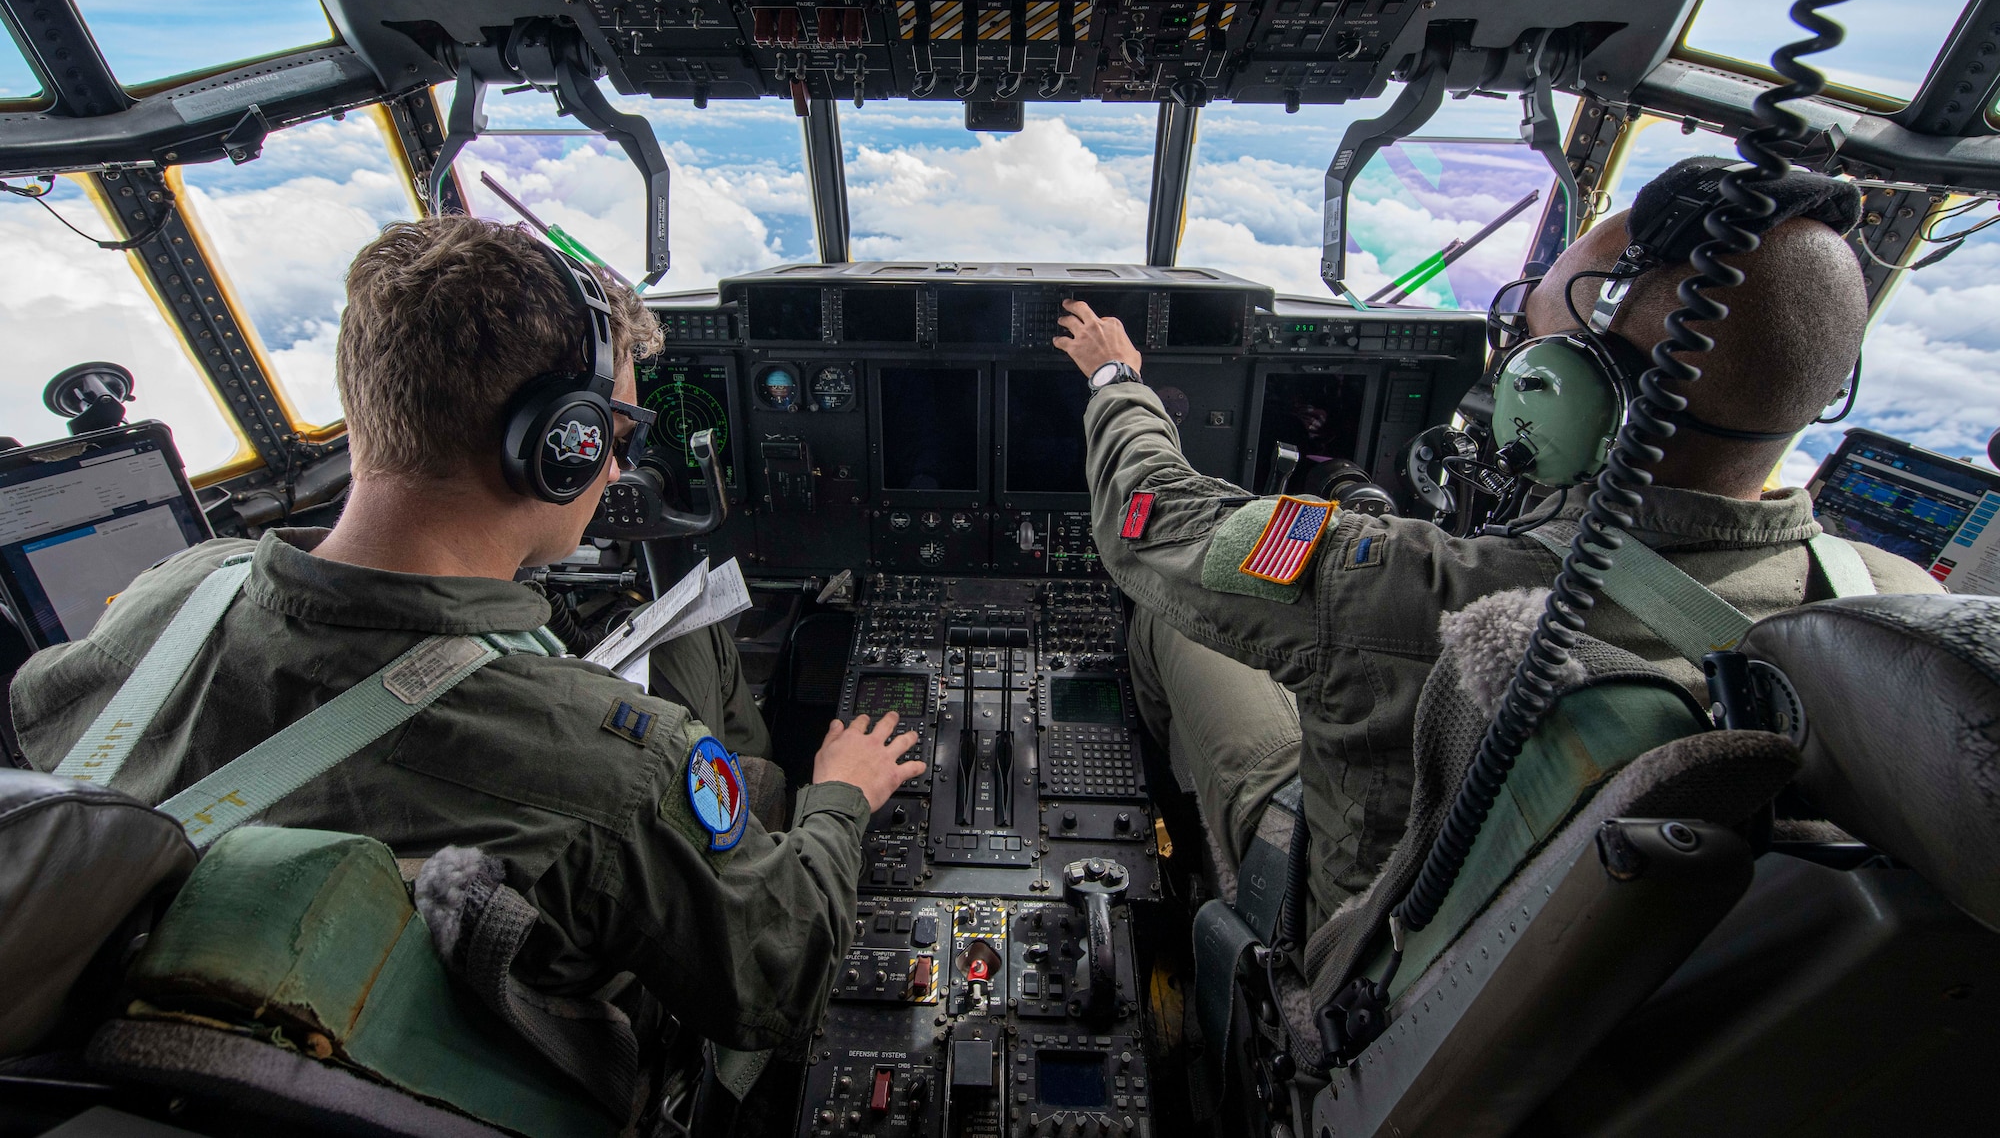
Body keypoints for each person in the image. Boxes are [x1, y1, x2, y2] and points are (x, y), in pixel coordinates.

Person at [8, 216, 924, 1070]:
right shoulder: (617, 766)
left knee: (699, 641)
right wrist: (840, 796)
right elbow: (781, 977)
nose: (618, 465)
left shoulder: (176, 592)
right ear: (555, 447)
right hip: (525, 1050)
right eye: (614, 434)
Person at [1051, 173, 1941, 936]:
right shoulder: (1895, 620)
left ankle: (1206, 872)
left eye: (1526, 338)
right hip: (1543, 969)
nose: (1505, 359)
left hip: (1365, 931)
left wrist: (1115, 378)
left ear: (1575, 396)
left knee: (1176, 622)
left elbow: (1151, 522)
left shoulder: (1445, 590)